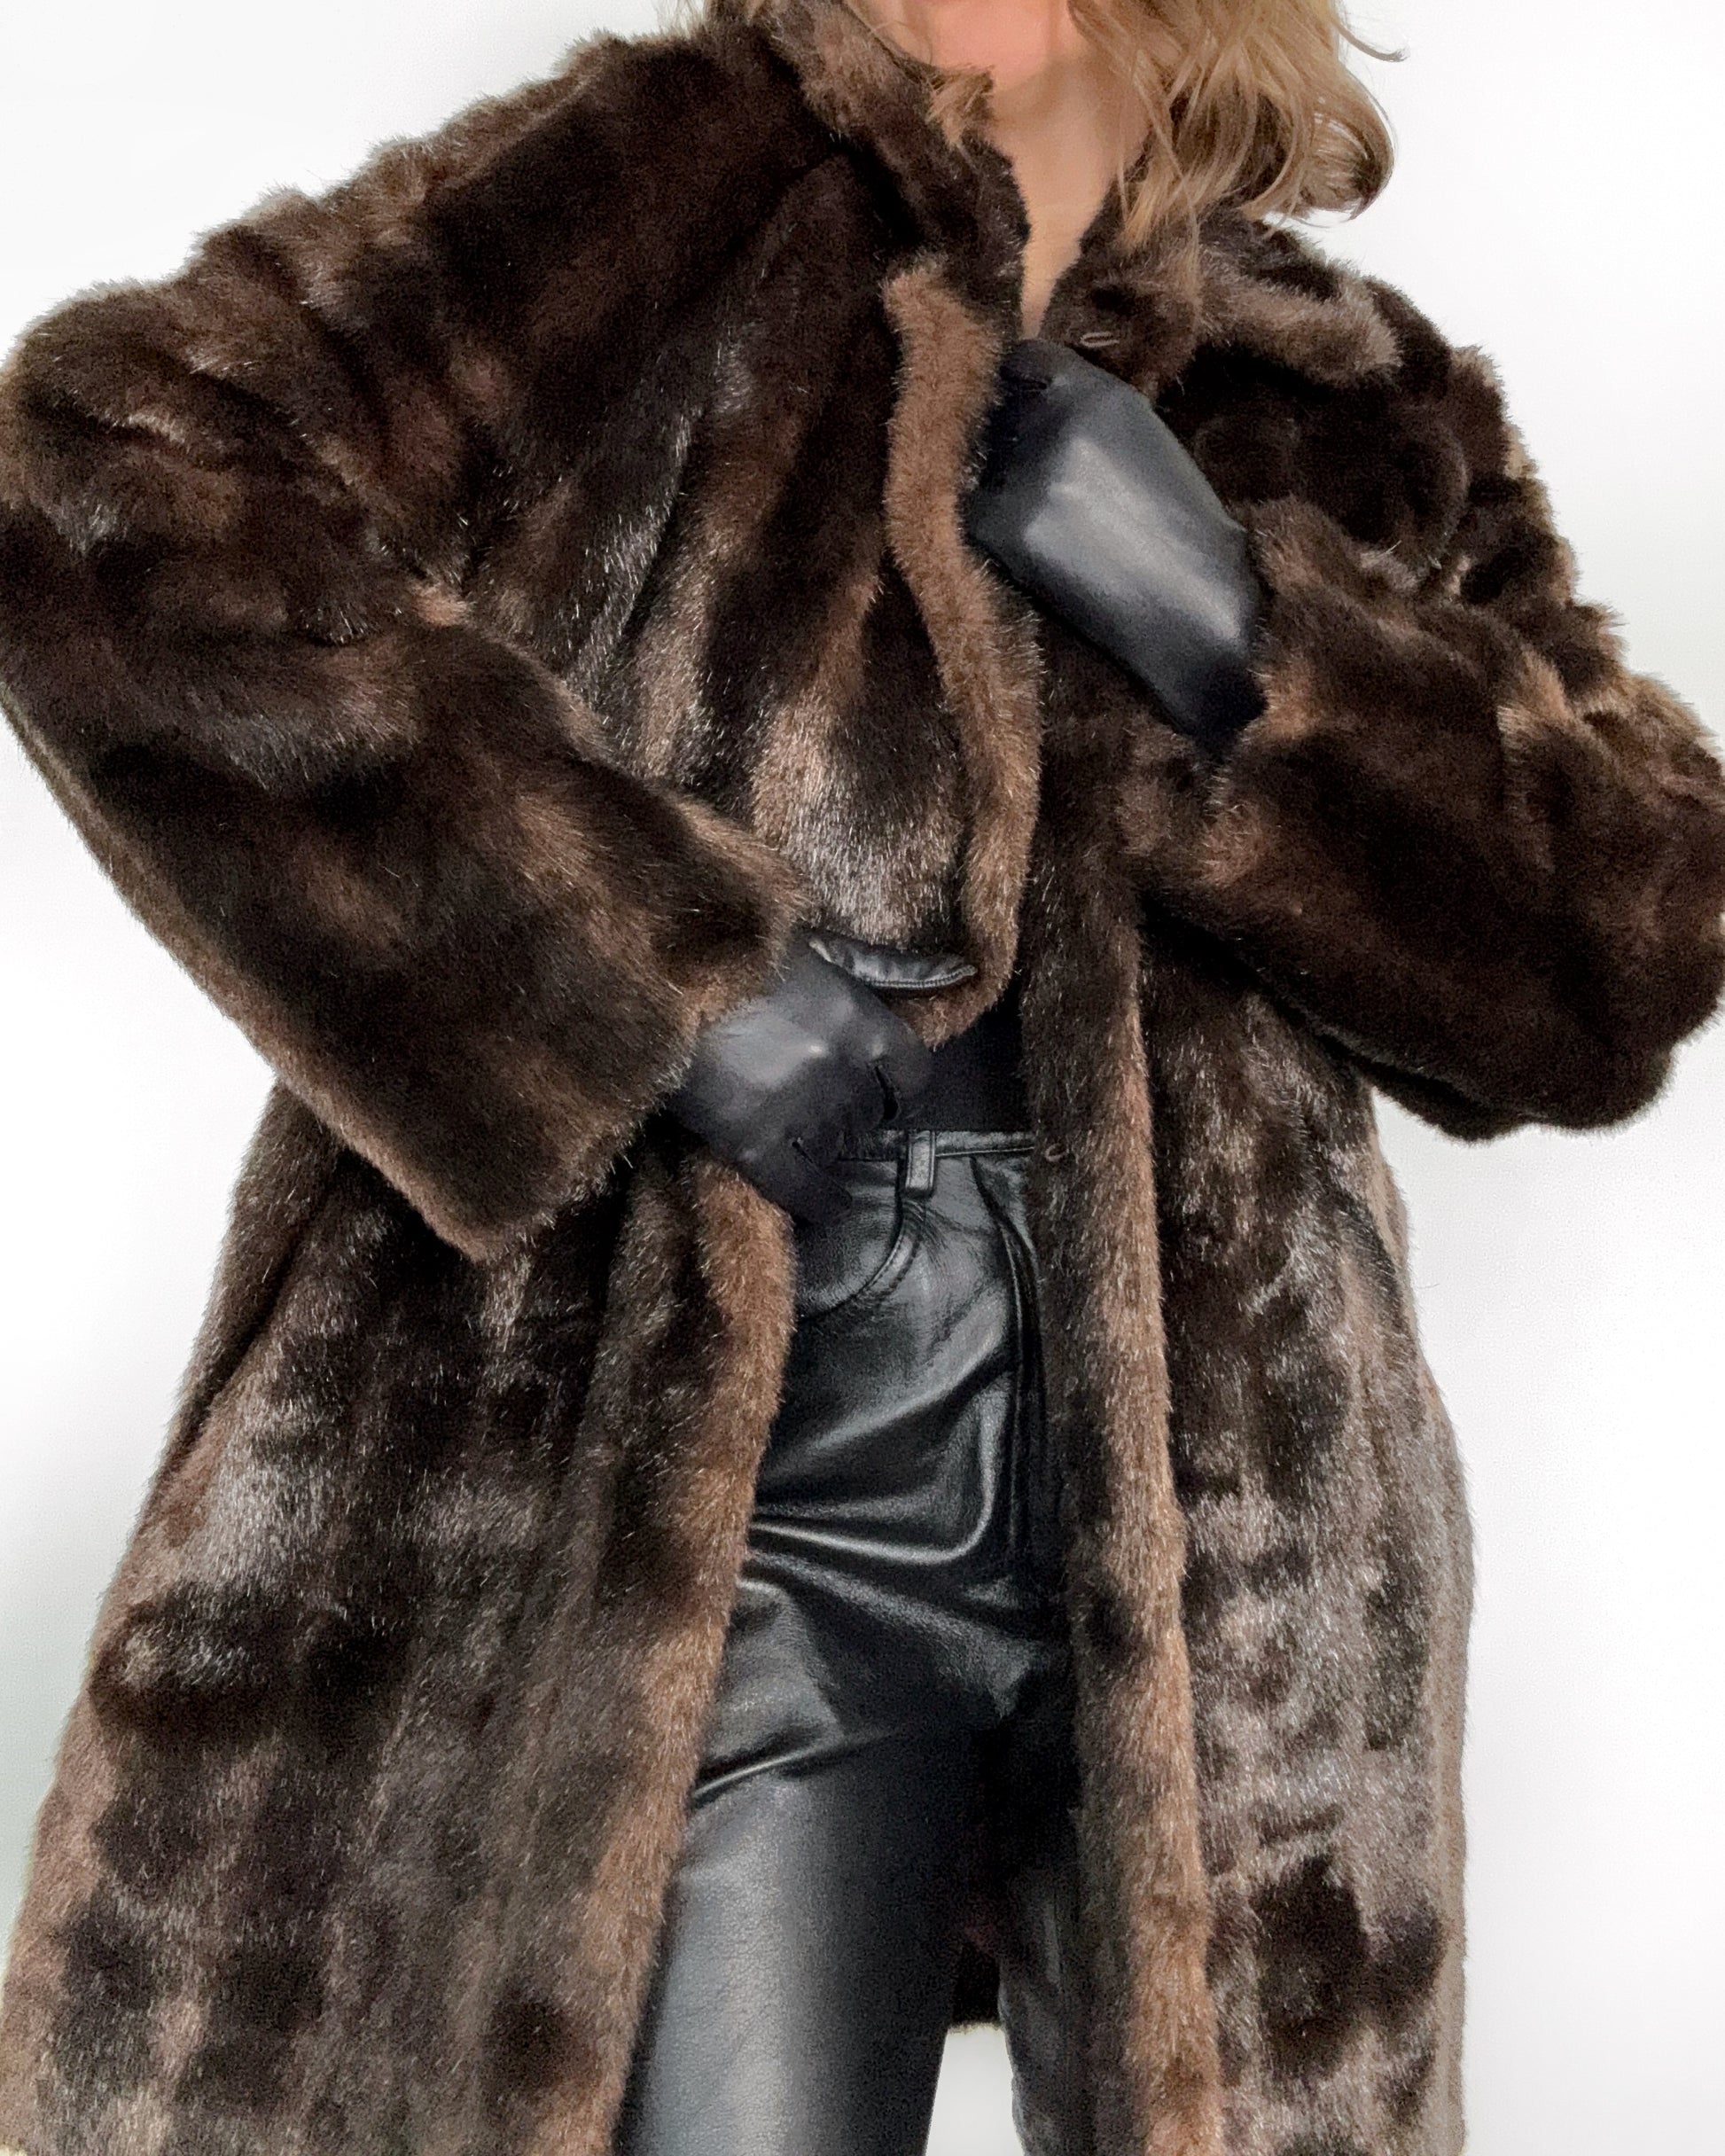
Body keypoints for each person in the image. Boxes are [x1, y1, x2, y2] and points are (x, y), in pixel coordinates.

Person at [0, 2, 1720, 2154]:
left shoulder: (1346, 391)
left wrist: (1237, 643)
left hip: (1240, 1524)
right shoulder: (671, 178)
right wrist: (640, 974)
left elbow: (1624, 944)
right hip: (726, 1452)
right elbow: (108, 473)